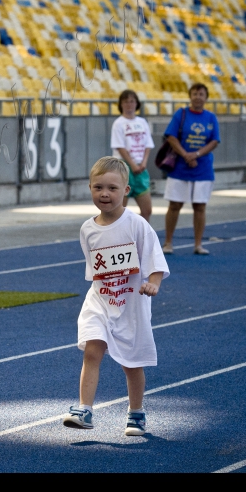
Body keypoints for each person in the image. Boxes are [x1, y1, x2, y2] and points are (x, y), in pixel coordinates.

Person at [63, 157, 169, 436]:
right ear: (89, 188)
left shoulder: (137, 226)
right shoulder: (87, 229)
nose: (105, 194)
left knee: (131, 363)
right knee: (92, 350)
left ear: (126, 190)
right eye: (98, 187)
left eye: (112, 188)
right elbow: (96, 270)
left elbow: (154, 261)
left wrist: (154, 283)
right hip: (99, 300)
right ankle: (85, 409)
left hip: (131, 304)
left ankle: (136, 413)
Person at [162, 83, 220, 255]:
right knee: (174, 205)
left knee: (200, 207)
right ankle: (168, 242)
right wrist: (186, 155)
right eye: (194, 93)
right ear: (190, 96)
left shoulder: (211, 117)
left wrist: (197, 154)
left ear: (206, 97)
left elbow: (214, 141)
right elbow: (171, 136)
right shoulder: (181, 114)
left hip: (203, 169)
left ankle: (198, 244)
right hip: (180, 168)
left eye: (201, 94)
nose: (197, 97)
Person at [111, 89, 155, 223]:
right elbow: (120, 146)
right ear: (121, 104)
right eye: (126, 102)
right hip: (124, 169)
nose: (129, 105)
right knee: (119, 211)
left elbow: (148, 144)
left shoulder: (142, 122)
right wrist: (132, 164)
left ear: (137, 103)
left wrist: (143, 163)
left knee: (147, 210)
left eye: (132, 101)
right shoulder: (119, 123)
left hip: (141, 169)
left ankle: (143, 237)